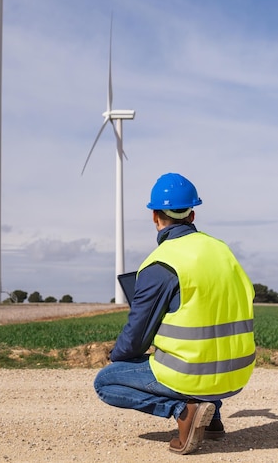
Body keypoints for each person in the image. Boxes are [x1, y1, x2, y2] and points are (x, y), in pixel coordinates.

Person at [94, 172, 255, 455]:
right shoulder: (223, 251)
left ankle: (183, 410)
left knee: (106, 381)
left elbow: (136, 336)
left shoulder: (161, 264)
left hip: (193, 374)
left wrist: (120, 358)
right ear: (192, 215)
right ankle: (212, 416)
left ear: (155, 216)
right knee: (199, 356)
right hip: (237, 374)